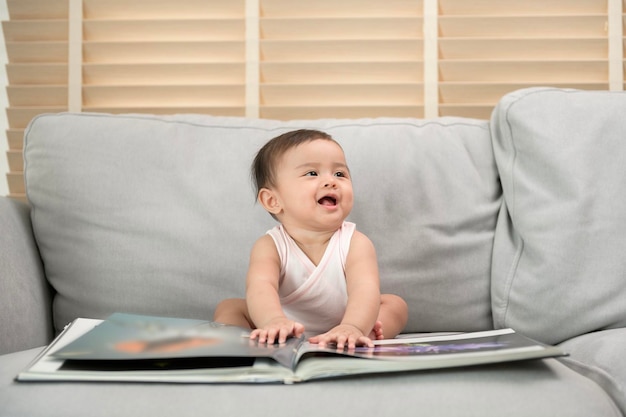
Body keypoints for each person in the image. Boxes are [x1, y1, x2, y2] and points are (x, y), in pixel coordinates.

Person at [213, 129, 408, 349]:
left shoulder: (355, 243)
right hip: (283, 321)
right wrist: (272, 321)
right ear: (273, 200)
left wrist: (354, 325)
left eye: (339, 174)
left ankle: (358, 336)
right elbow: (261, 286)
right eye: (312, 174)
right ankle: (257, 341)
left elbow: (365, 288)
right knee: (229, 307)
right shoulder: (270, 246)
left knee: (394, 305)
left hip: (347, 319)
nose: (331, 182)